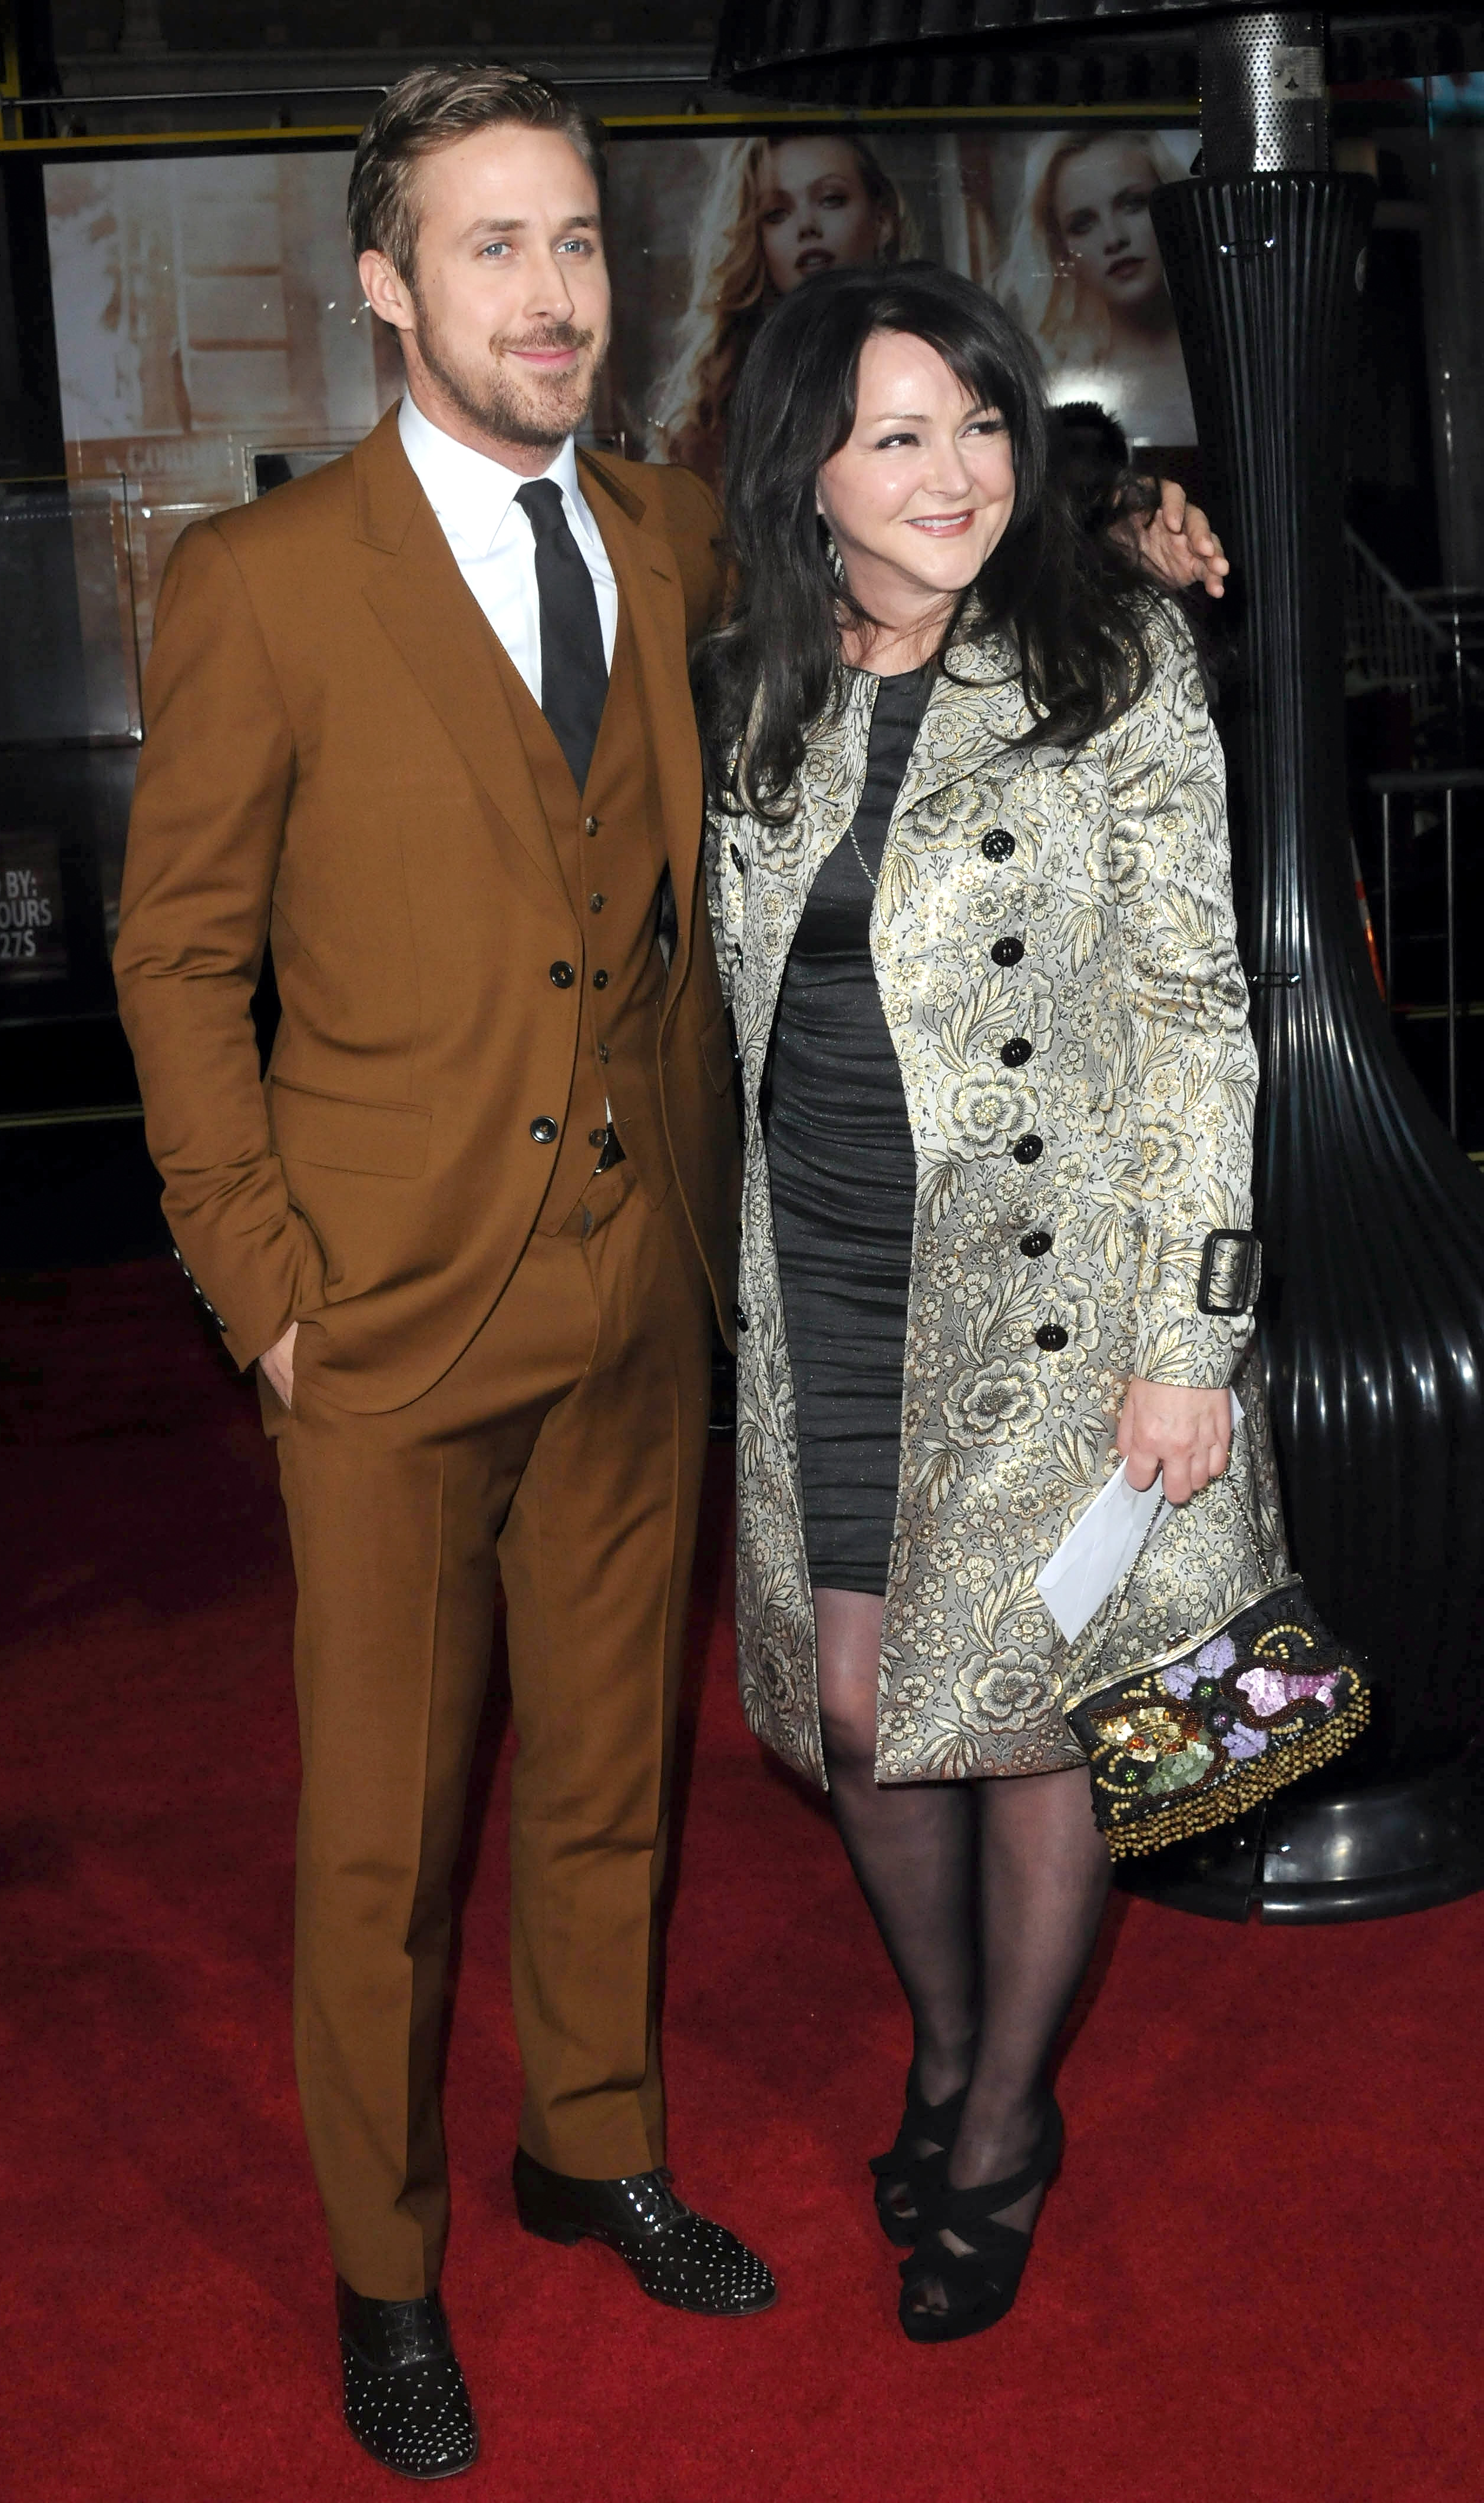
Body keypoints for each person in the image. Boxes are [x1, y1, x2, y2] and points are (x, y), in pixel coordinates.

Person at [113, 64, 779, 2484]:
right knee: (379, 1836)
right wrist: (257, 1283)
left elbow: (918, 551)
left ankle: (584, 2142)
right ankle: (387, 2266)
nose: (553, 295)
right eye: (492, 247)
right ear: (387, 286)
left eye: (579, 242)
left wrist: (1127, 508)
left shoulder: (681, 532)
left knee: (615, 1774)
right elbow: (176, 959)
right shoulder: (264, 586)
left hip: (639, 1291)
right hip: (382, 1322)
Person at [699, 262, 1258, 2344]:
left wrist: (1186, 1338)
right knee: (857, 1704)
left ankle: (998, 2115)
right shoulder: (749, 671)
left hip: (1057, 1285)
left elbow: (1199, 1010)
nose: (955, 474)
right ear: (803, 471)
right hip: (825, 1266)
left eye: (984, 425)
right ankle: (939, 2038)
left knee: (1030, 1709)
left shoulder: (1106, 653)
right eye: (895, 433)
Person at [652, 132, 915, 487]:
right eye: (777, 214)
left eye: (831, 200)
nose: (807, 226)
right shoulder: (723, 396)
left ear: (881, 220)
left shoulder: (931, 353)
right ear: (756, 237)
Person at [997, 131, 1195, 448]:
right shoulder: (1048, 381)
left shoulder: (1239, 354)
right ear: (1061, 250)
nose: (1114, 238)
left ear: (1175, 210)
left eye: (1132, 205)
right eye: (1083, 224)